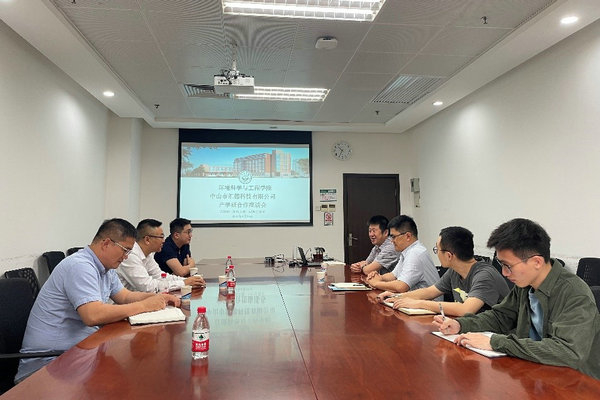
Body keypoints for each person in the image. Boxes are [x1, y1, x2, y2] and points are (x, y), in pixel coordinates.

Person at [16, 218, 180, 382]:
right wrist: (144, 305)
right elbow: (93, 315)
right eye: (125, 250)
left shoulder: (106, 267)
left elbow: (125, 296)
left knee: (132, 371)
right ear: (106, 243)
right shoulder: (80, 266)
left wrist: (156, 297)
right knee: (126, 379)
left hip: (79, 352)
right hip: (49, 364)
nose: (125, 257)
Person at [434, 218, 600, 379]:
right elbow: (500, 317)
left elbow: (568, 352)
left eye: (508, 266)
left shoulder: (574, 294)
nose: (504, 273)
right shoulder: (525, 285)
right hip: (533, 372)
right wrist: (461, 324)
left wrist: (495, 342)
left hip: (574, 382)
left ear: (537, 262)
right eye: (501, 265)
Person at [379, 226, 509, 316]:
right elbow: (429, 292)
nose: (436, 253)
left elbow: (465, 310)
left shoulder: (484, 275)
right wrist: (397, 297)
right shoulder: (454, 271)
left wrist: (419, 304)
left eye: (437, 250)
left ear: (449, 255)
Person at [117, 219, 205, 292]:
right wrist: (184, 283)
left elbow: (160, 276)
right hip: (120, 304)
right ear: (147, 239)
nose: (163, 241)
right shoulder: (131, 255)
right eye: (161, 237)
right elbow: (148, 287)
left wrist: (189, 281)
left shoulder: (148, 255)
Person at [365, 215, 439, 294]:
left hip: (426, 301)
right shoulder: (407, 251)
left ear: (408, 236)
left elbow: (401, 286)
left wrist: (376, 283)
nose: (391, 241)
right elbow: (393, 275)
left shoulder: (415, 253)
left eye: (393, 237)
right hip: (413, 298)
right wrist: (378, 277)